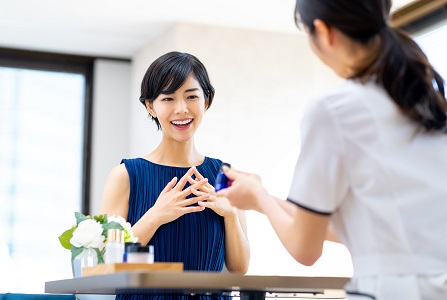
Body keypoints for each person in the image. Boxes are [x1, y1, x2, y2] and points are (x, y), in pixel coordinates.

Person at [217, 1, 447, 299]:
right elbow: (347, 230)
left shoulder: (333, 110)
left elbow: (305, 249)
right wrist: (262, 196)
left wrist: (259, 197)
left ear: (324, 32)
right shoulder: (427, 104)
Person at [100, 51, 250, 299]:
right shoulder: (125, 175)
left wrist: (231, 213)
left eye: (191, 96)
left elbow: (240, 268)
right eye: (168, 99)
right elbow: (105, 262)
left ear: (207, 100)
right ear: (151, 106)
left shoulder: (226, 176)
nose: (181, 109)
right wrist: (156, 216)